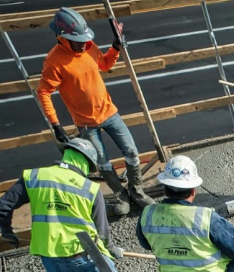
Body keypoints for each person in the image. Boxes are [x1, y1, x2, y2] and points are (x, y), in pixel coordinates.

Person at [0, 138, 134, 272]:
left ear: (67, 154)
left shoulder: (35, 177)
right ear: (86, 163)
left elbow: (2, 206)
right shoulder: (90, 188)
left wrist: (7, 232)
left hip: (50, 252)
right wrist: (111, 249)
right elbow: (101, 230)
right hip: (85, 251)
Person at [38, 8, 155, 216]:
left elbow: (105, 64)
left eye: (85, 38)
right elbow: (44, 92)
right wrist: (55, 124)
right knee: (102, 161)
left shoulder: (89, 47)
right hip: (86, 123)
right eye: (79, 40)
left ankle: (137, 191)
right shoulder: (54, 61)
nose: (84, 43)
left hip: (109, 113)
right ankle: (121, 194)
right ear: (63, 37)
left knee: (131, 151)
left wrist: (115, 47)